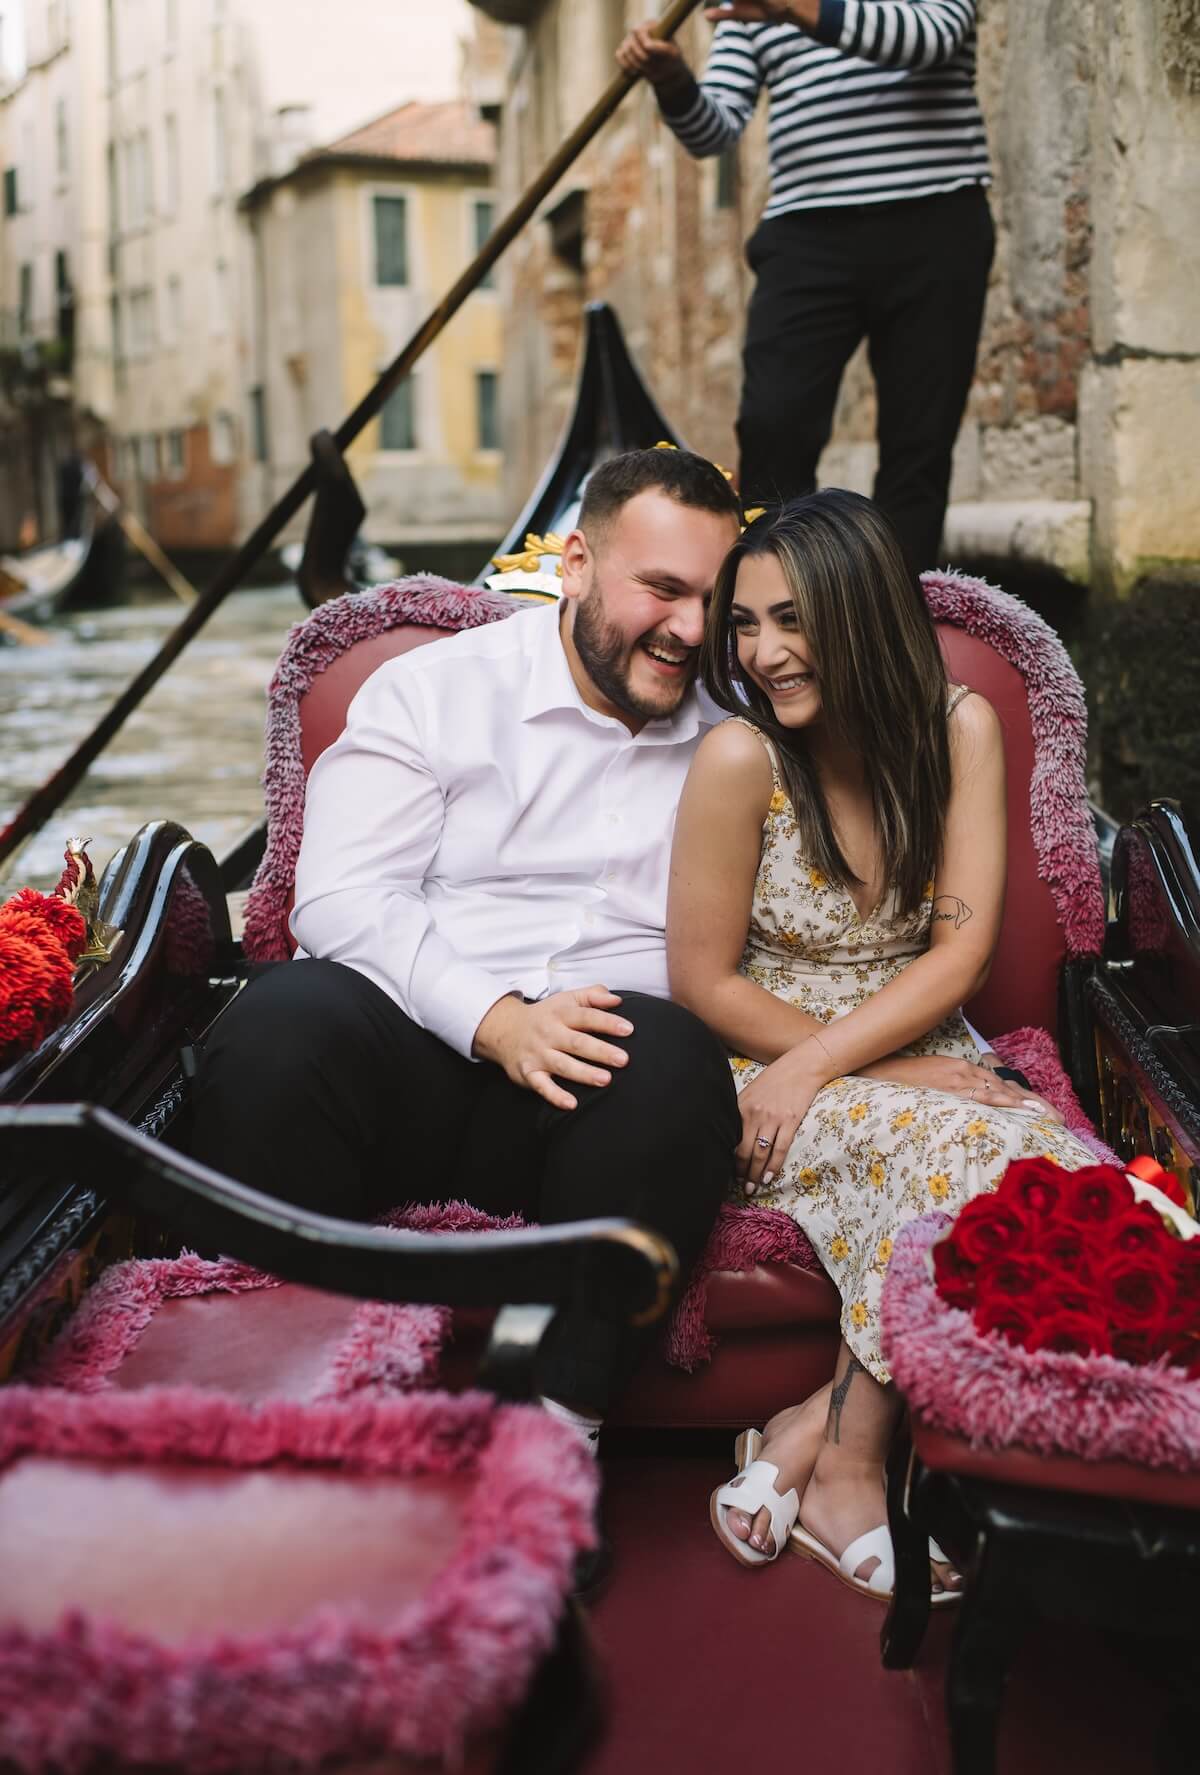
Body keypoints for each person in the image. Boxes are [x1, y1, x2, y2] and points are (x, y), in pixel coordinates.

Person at [191, 446, 742, 1454]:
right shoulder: (434, 690)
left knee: (672, 1060)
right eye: (663, 590)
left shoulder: (738, 734)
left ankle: (555, 1432)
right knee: (278, 1024)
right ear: (576, 565)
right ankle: (308, 1401)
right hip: (415, 1062)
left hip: (611, 1106)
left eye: (714, 599)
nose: (692, 631)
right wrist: (499, 1022)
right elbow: (341, 898)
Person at [667, 490, 1097, 1595]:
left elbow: (961, 955)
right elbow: (703, 983)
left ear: (862, 613)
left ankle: (807, 1428)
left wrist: (875, 1060)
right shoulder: (739, 758)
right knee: (965, 1148)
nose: (762, 653)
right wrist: (839, 1066)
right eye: (744, 624)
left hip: (904, 1037)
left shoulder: (959, 729)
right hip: (763, 1062)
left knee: (1064, 1183)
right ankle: (850, 1472)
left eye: (792, 620)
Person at [617, 1, 994, 575]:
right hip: (805, 235)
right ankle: (771, 602)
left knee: (918, 445)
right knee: (773, 428)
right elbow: (713, 131)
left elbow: (934, 36)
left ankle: (893, 616)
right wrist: (672, 81)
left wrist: (791, 8)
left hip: (934, 218)